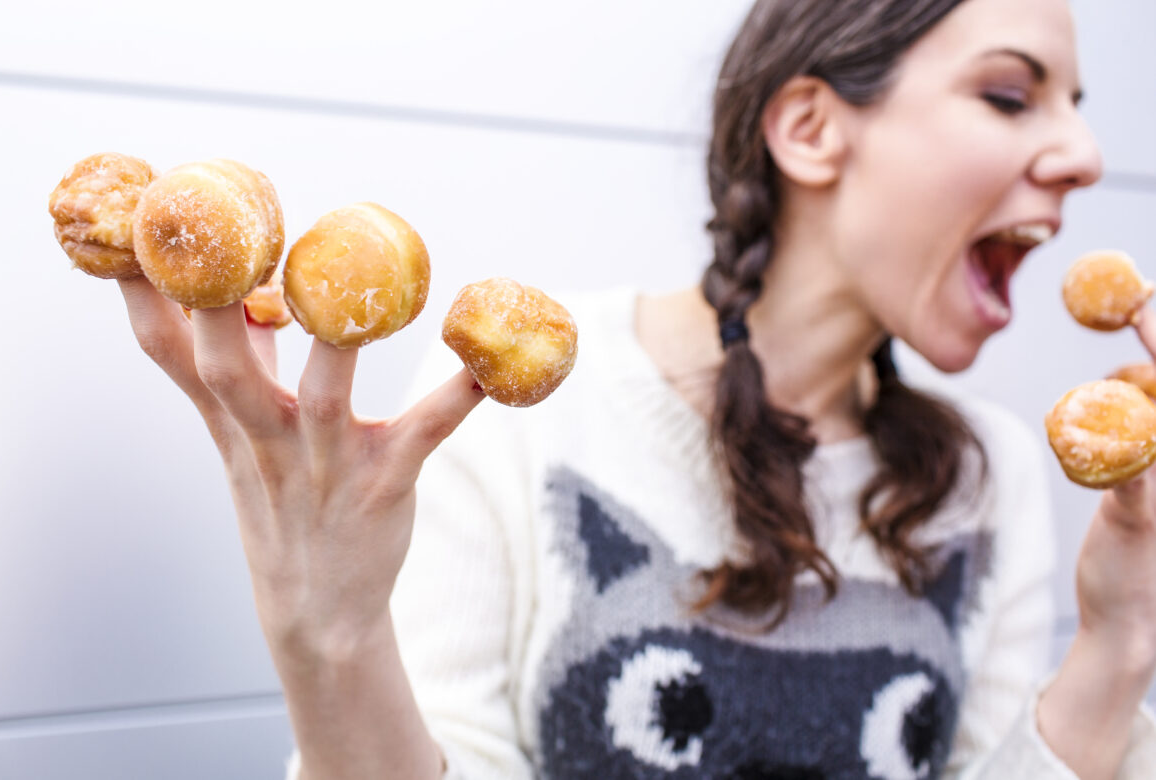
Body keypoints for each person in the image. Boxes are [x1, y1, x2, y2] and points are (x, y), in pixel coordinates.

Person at [114, 0, 1156, 777]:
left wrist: (1121, 639)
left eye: (1075, 106)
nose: (1085, 154)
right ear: (809, 128)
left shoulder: (992, 469)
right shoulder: (507, 398)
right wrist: (327, 638)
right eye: (1011, 95)